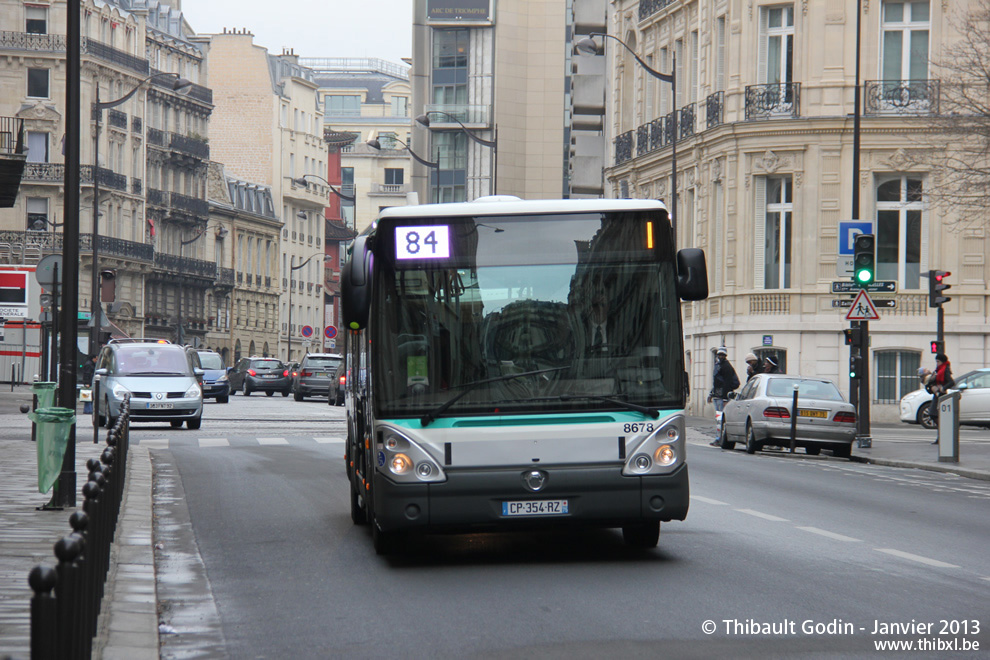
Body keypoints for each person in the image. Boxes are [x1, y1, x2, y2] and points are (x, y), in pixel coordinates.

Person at [708, 347, 740, 446]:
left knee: (721, 419)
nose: (720, 357)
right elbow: (716, 382)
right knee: (719, 419)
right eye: (719, 355)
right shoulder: (718, 365)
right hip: (717, 396)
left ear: (725, 356)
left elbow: (727, 383)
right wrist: (711, 394)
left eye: (722, 355)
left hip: (722, 397)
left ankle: (720, 438)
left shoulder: (727, 367)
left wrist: (726, 398)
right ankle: (719, 437)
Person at [927, 353, 954, 444]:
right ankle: (941, 435)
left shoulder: (945, 370)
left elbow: (951, 382)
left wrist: (942, 388)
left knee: (934, 414)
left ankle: (942, 434)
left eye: (938, 361)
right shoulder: (938, 370)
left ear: (942, 362)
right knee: (934, 415)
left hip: (941, 395)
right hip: (937, 394)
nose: (937, 363)